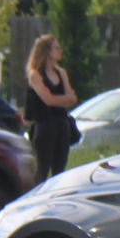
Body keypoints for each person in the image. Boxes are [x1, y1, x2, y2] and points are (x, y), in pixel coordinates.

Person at [22, 33, 79, 183]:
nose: (60, 51)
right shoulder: (35, 75)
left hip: (62, 123)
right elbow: (48, 100)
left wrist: (59, 99)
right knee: (42, 168)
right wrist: (63, 99)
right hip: (45, 124)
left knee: (60, 170)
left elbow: (72, 99)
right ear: (47, 51)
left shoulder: (61, 73)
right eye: (56, 48)